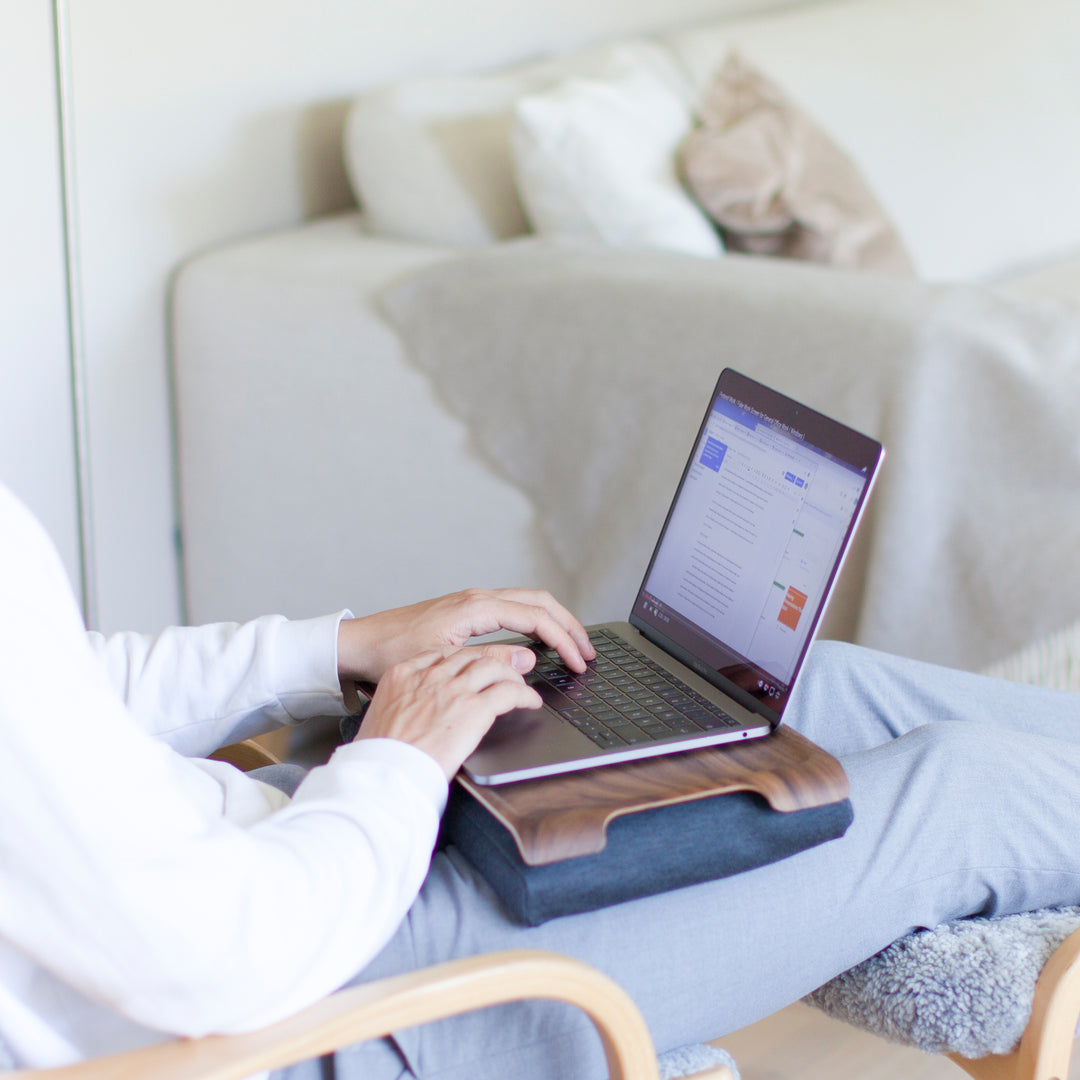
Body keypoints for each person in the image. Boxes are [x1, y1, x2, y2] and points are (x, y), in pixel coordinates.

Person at [2, 478, 1079, 1080]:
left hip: (305, 866)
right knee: (961, 790)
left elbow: (63, 676)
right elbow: (220, 962)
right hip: (329, 1010)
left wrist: (339, 647)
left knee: (801, 693)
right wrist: (399, 757)